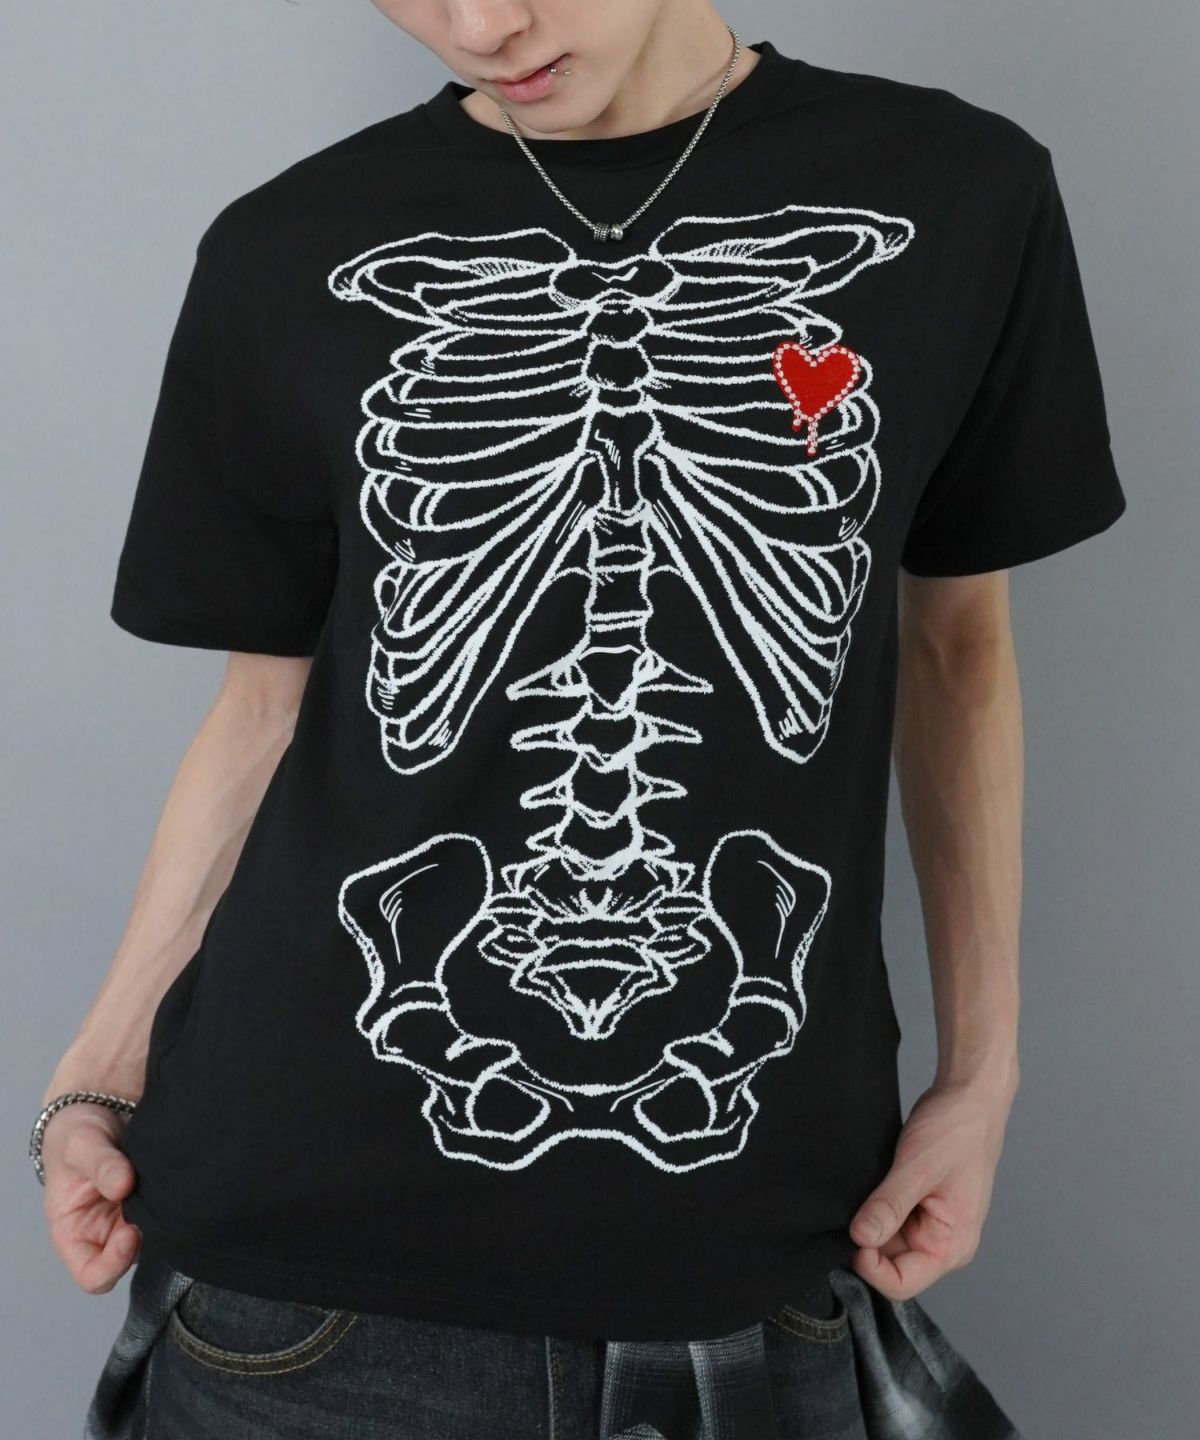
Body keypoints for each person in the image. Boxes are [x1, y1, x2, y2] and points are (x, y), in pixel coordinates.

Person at [33, 1, 1127, 1436]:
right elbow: (262, 710)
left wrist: (981, 1080)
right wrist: (105, 1065)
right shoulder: (286, 246)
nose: (482, 23)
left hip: (764, 1243)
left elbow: (959, 650)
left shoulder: (960, 191)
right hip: (300, 1283)